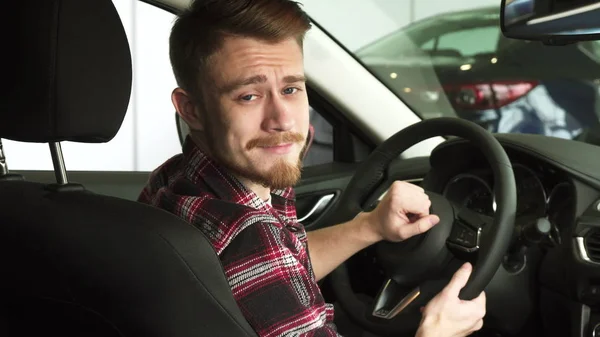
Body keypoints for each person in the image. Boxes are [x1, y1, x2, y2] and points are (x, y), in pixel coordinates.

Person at [138, 0, 486, 336]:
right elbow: (260, 257)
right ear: (191, 109)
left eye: (290, 88)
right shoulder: (245, 232)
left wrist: (369, 227)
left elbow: (278, 271)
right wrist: (439, 330)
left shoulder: (175, 179)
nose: (283, 119)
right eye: (249, 96)